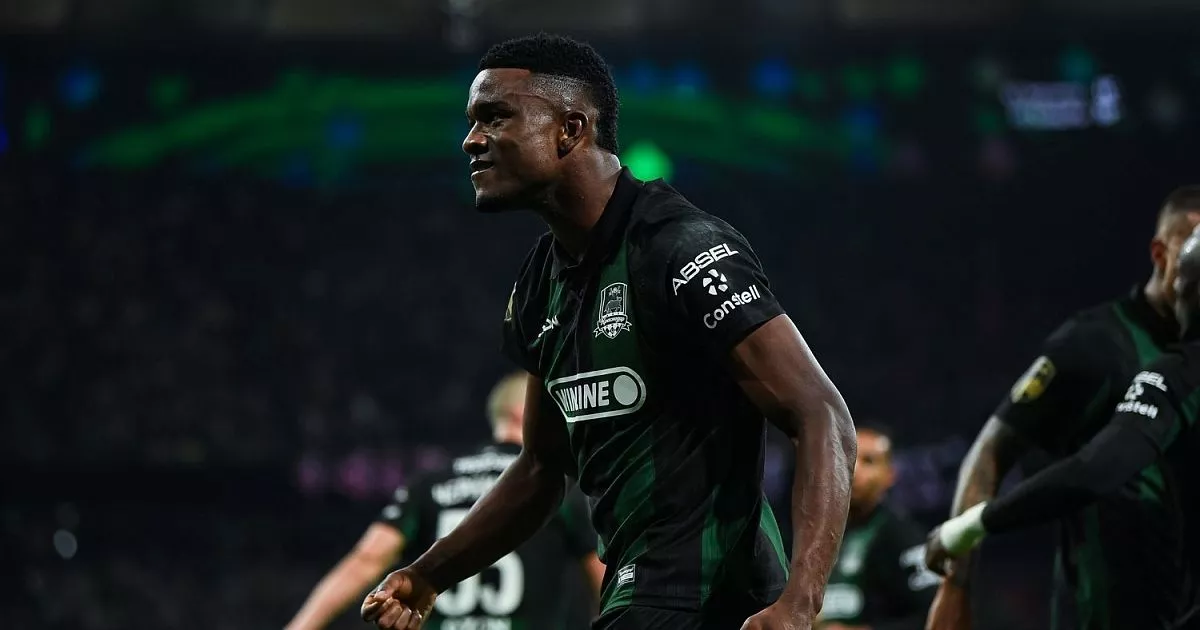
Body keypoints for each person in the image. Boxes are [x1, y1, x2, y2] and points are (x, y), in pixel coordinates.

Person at [361, 33, 857, 630]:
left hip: (706, 596)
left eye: (495, 117)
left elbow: (821, 412)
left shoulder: (680, 247)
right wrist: (428, 575)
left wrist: (801, 603)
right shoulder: (540, 284)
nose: (472, 140)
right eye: (472, 122)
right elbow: (541, 468)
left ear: (570, 130)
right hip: (643, 592)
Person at [924, 186, 1200, 630]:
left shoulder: (1183, 362)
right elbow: (993, 450)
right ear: (1161, 253)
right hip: (1105, 610)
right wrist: (957, 583)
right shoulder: (1094, 344)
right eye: (1190, 245)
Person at [288, 372, 603, 630]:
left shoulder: (430, 483)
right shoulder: (556, 486)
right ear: (524, 411)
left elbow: (367, 559)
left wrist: (300, 627)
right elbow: (602, 575)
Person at [818, 425, 938, 630]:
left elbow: (935, 616)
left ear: (890, 475)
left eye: (869, 461)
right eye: (846, 457)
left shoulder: (902, 537)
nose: (854, 469)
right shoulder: (812, 532)